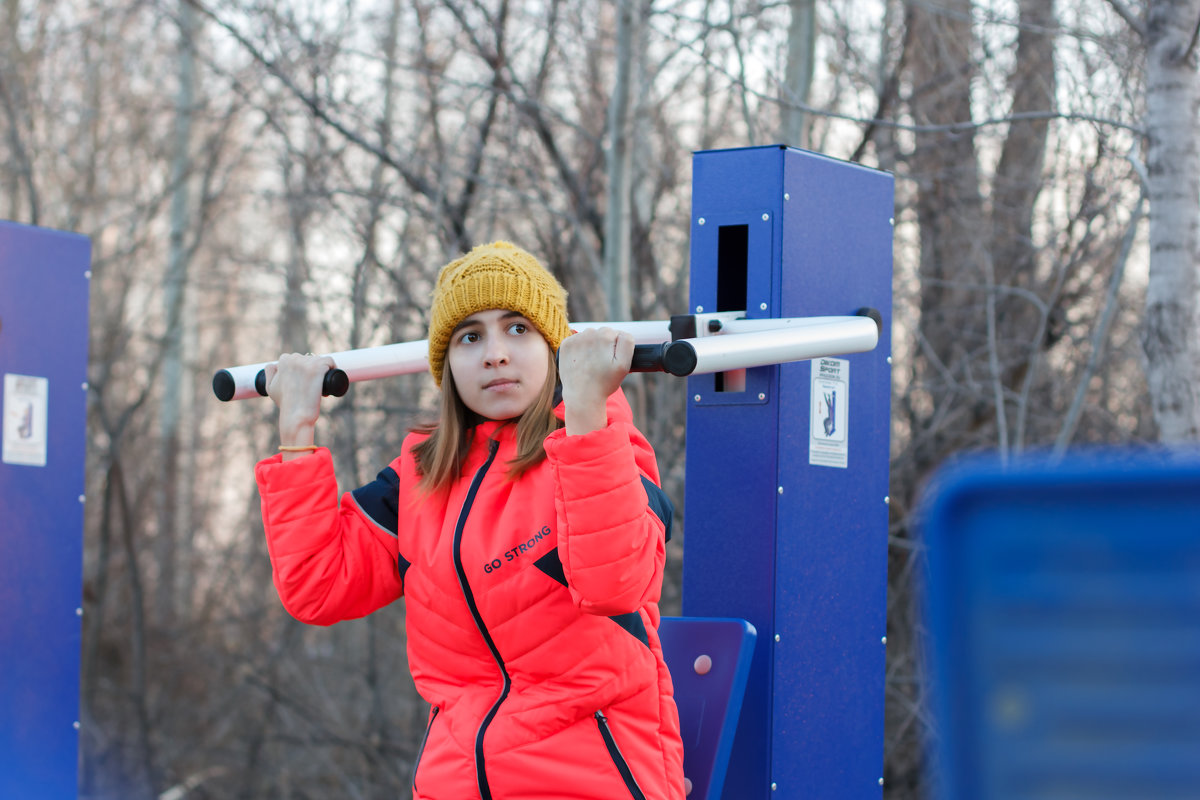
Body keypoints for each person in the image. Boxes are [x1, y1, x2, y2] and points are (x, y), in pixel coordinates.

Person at [255, 241, 686, 800]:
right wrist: (297, 436)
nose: (495, 354)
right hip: (455, 780)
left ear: (556, 347)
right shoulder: (422, 473)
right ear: (448, 363)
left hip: (591, 778)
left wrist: (585, 410)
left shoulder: (602, 444)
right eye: (470, 337)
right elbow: (318, 587)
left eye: (517, 329)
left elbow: (617, 583)